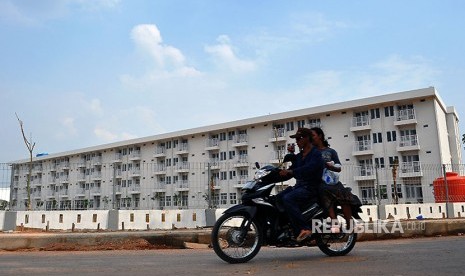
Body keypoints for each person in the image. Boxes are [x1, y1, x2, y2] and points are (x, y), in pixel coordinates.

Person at [277, 127, 324, 242]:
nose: (297, 142)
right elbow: (292, 170)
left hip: (311, 187)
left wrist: (291, 171)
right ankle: (288, 227)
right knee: (277, 198)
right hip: (300, 187)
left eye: (299, 139)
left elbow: (308, 169)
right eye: (296, 139)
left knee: (288, 199)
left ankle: (304, 228)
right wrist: (276, 174)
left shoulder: (316, 154)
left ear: (307, 138)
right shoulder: (299, 156)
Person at [309, 127, 356, 232]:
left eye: (313, 136)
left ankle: (350, 223)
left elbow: (338, 168)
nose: (311, 138)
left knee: (344, 196)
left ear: (320, 136)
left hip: (332, 181)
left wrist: (330, 167)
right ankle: (334, 222)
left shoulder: (331, 151)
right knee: (323, 192)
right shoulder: (311, 152)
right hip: (320, 182)